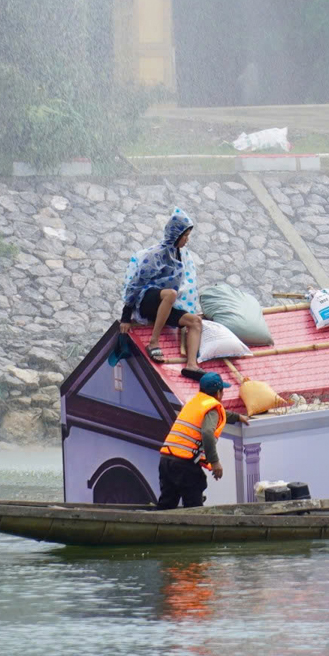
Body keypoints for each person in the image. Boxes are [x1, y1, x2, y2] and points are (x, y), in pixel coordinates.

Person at [120, 207, 204, 370]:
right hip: (147, 300)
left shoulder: (180, 254)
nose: (187, 240)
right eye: (184, 236)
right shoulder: (156, 255)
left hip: (166, 304)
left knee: (195, 322)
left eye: (188, 236)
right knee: (170, 294)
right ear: (175, 235)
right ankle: (153, 342)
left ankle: (192, 365)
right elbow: (136, 283)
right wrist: (126, 315)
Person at [155, 371, 230, 509]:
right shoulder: (212, 408)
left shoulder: (195, 403)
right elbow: (207, 432)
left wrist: (237, 418)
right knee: (193, 507)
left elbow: (217, 415)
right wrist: (215, 462)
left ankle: (157, 529)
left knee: (166, 506)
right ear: (219, 393)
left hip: (166, 460)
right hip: (184, 465)